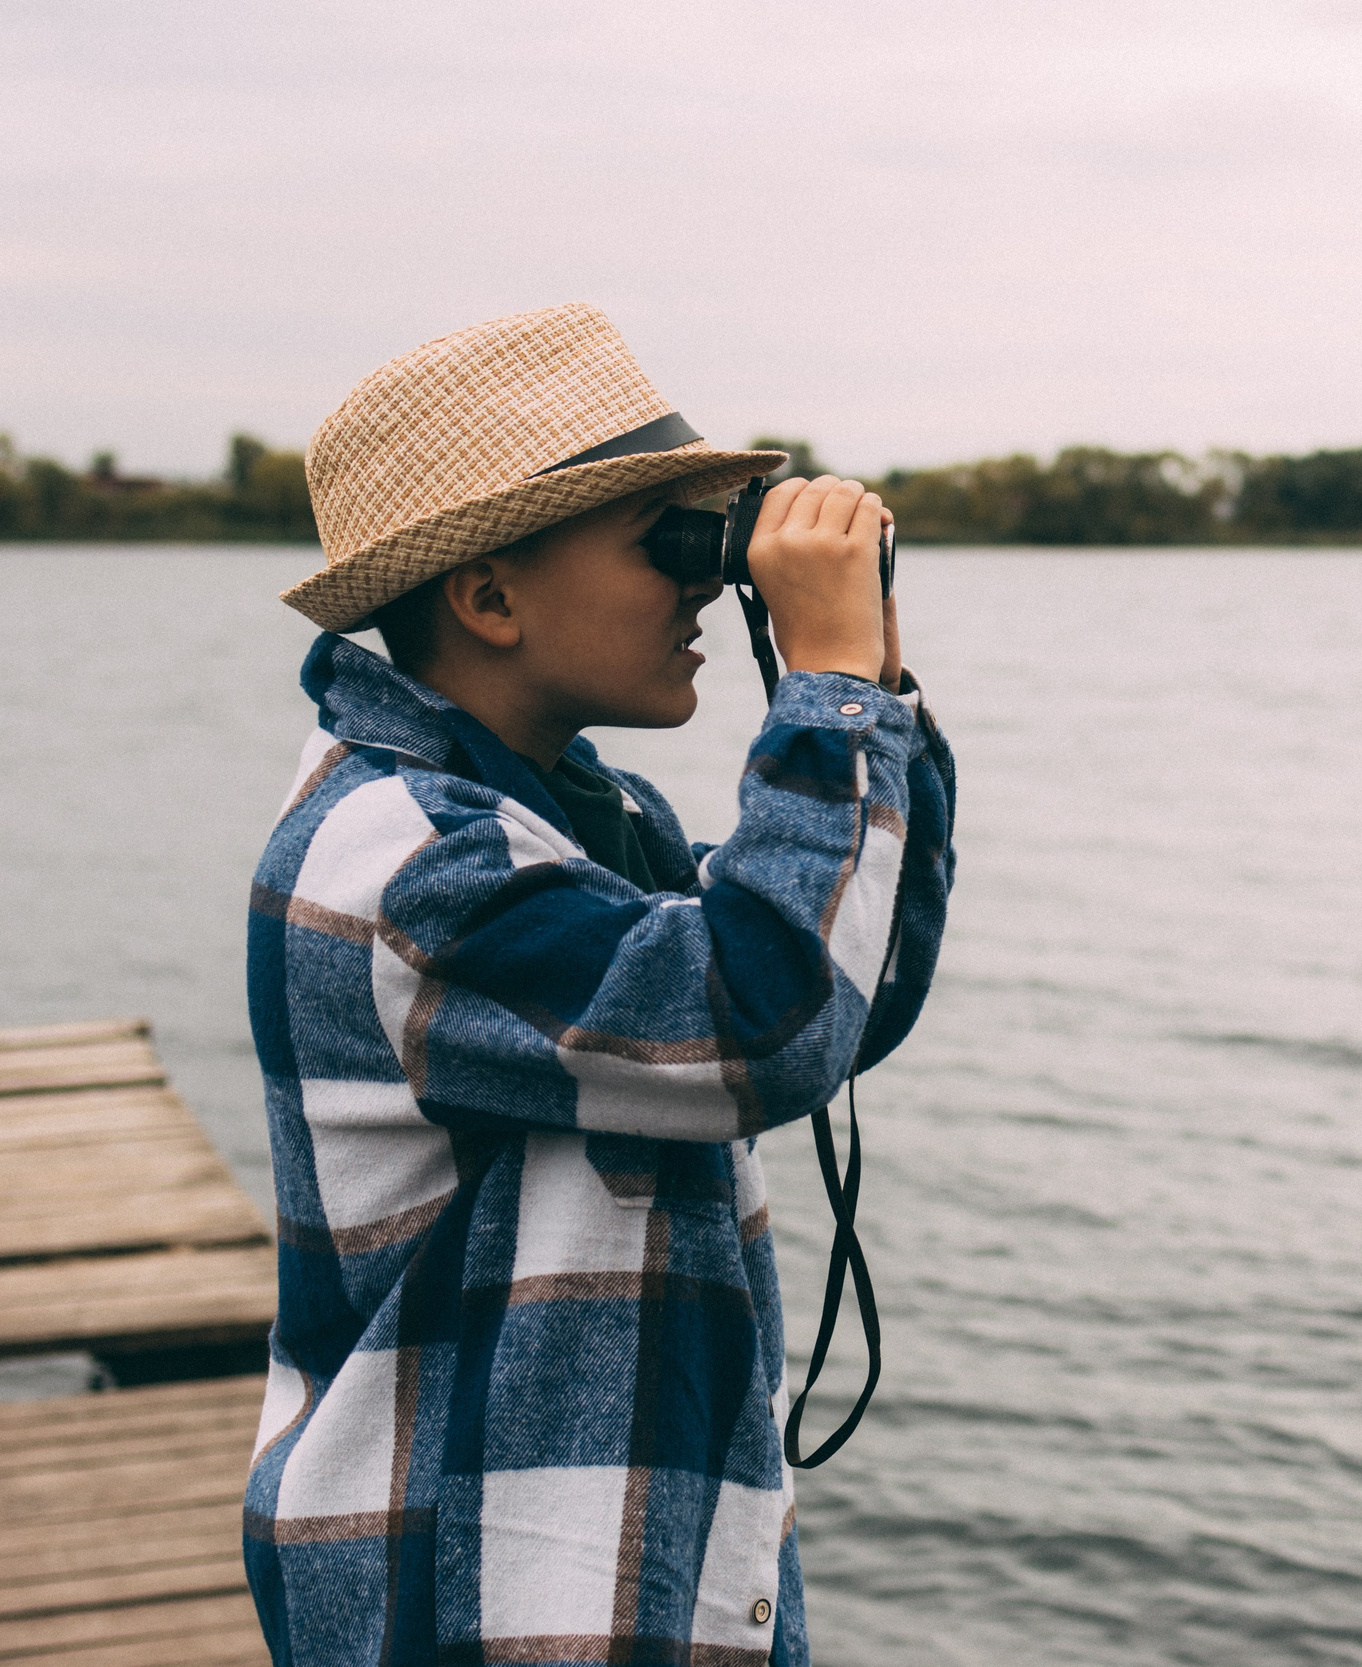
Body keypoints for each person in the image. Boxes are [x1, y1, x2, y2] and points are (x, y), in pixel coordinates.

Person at [240, 303, 955, 1667]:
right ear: (490, 596)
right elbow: (761, 1026)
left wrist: (880, 690)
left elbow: (839, 994)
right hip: (468, 1597)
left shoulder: (569, 819)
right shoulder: (414, 864)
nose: (705, 583)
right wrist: (829, 688)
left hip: (600, 1572)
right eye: (665, 543)